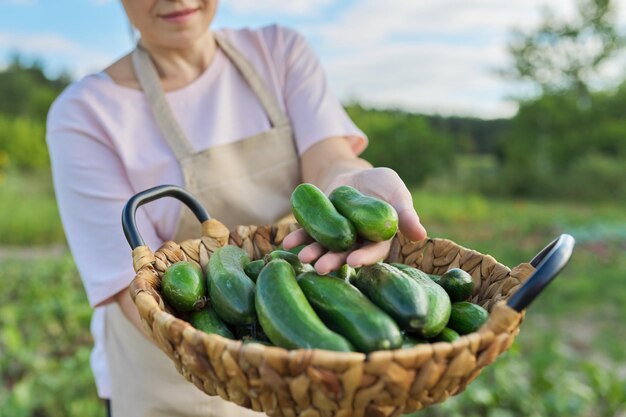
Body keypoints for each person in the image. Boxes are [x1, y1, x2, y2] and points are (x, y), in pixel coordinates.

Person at [46, 1, 427, 416]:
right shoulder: (84, 114)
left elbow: (330, 160)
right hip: (173, 372)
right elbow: (134, 289)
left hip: (308, 360)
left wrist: (348, 186)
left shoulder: (280, 52)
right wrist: (254, 354)